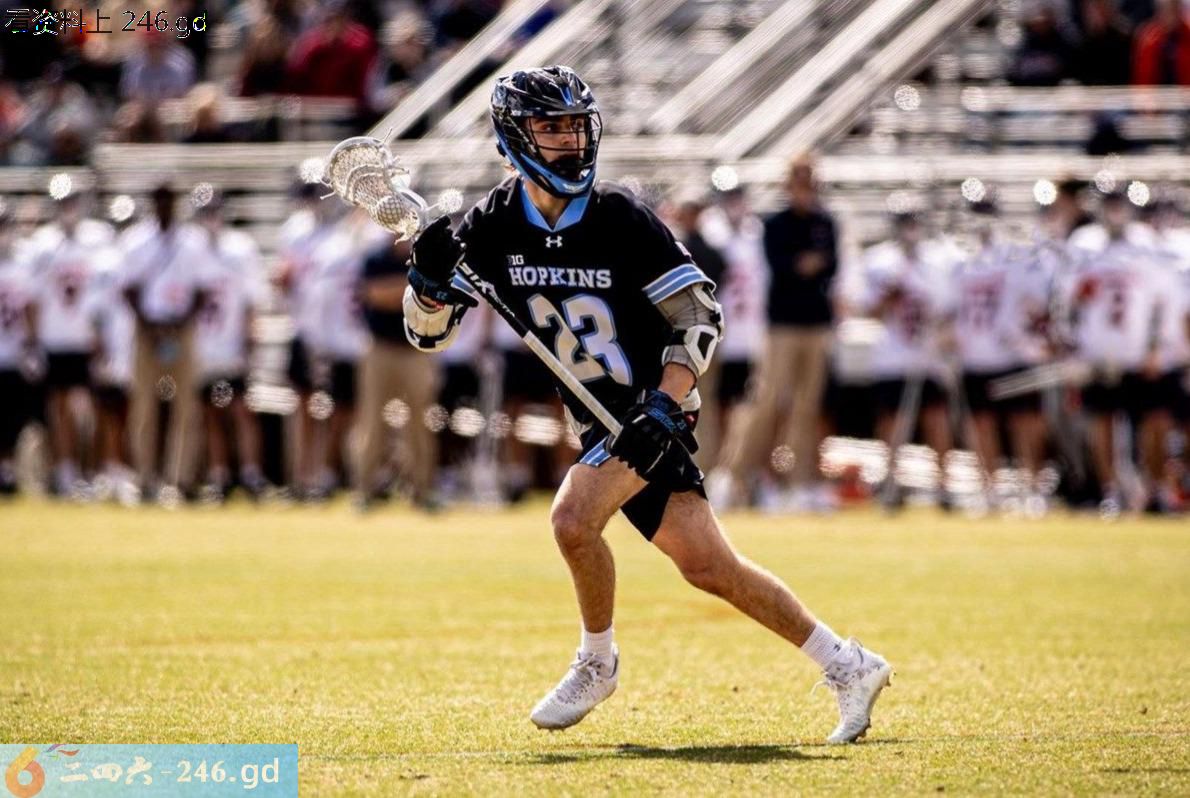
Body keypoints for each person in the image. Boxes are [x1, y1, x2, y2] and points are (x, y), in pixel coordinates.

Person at [398, 66, 892, 744]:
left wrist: (665, 404)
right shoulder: (491, 223)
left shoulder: (619, 217)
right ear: (514, 137)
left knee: (572, 520)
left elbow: (699, 315)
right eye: (551, 127)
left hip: (650, 411)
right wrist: (427, 285)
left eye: (576, 126)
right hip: (596, 417)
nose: (569, 141)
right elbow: (428, 336)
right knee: (710, 567)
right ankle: (850, 664)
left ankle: (596, 662)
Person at [725, 157, 839, 512]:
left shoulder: (825, 222)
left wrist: (809, 265)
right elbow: (783, 266)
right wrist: (806, 264)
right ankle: (738, 474)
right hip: (782, 325)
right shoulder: (775, 223)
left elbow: (831, 265)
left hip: (816, 323)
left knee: (807, 405)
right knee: (768, 400)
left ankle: (800, 481)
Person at [1061, 191, 1166, 512]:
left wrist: (1154, 347)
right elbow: (1067, 299)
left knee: (1150, 421)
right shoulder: (1084, 242)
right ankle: (1110, 489)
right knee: (1101, 421)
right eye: (1110, 205)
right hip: (1098, 352)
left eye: (1120, 205)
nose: (1115, 212)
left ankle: (1151, 489)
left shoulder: (1146, 241)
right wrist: (1072, 348)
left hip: (1135, 352)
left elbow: (1161, 299)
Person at [856, 211, 959, 510]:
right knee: (892, 421)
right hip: (892, 354)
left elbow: (947, 309)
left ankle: (944, 486)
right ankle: (892, 482)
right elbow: (869, 310)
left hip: (927, 354)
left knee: (936, 418)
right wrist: (889, 295)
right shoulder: (879, 261)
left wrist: (939, 331)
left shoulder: (936, 261)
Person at [121, 183, 211, 499]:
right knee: (143, 405)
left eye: (168, 200)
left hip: (181, 330)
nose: (164, 206)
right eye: (159, 200)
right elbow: (128, 289)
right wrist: (150, 325)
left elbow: (202, 290)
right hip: (147, 331)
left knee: (186, 406)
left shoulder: (192, 241)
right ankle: (144, 477)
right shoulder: (136, 241)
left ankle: (181, 478)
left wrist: (179, 324)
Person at [26, 192, 114, 495]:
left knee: (91, 410)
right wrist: (33, 343)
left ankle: (92, 470)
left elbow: (103, 298)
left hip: (85, 339)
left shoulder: (97, 239)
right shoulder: (42, 245)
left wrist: (102, 340)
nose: (68, 210)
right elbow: (33, 299)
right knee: (59, 408)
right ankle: (66, 470)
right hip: (55, 339)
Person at [354, 236, 442, 510]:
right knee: (371, 420)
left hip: (416, 350)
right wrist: (410, 290)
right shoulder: (375, 257)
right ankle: (365, 490)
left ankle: (422, 490)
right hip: (380, 348)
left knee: (420, 423)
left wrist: (400, 292)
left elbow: (432, 298)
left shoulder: (425, 256)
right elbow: (373, 294)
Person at [192, 191, 269, 500]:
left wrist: (249, 338)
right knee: (210, 412)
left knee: (241, 409)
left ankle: (251, 473)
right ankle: (219, 473)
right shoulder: (190, 249)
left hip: (231, 342)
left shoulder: (240, 248)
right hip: (203, 344)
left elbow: (252, 299)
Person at [0, 202, 32, 494]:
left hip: (13, 353)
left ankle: (8, 469)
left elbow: (33, 307)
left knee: (12, 418)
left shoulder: (25, 262)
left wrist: (31, 346)